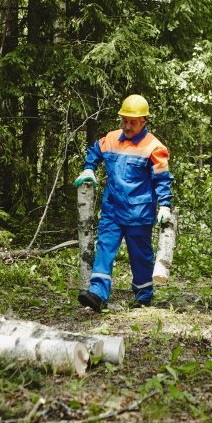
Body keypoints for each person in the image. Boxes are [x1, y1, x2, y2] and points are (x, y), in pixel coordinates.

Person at [72, 94, 174, 312]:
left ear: (143, 121)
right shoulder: (110, 139)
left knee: (140, 256)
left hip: (139, 212)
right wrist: (89, 168)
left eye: (132, 122)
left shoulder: (154, 147)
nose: (127, 126)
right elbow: (94, 152)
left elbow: (162, 178)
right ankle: (98, 294)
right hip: (112, 209)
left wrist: (165, 205)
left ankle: (143, 294)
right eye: (124, 121)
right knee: (105, 249)